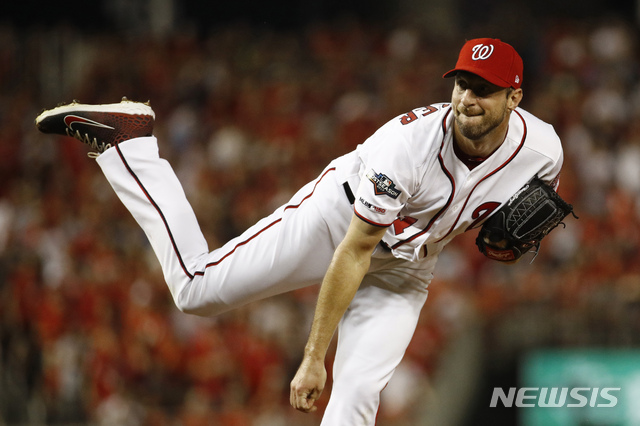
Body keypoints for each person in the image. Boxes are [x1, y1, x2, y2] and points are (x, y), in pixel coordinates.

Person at [35, 38, 564, 425]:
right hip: (338, 223)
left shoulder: (544, 153)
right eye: (464, 83)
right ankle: (129, 143)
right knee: (195, 290)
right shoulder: (405, 149)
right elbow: (353, 253)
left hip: (407, 268)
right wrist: (313, 358)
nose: (469, 98)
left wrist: (508, 251)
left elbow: (513, 230)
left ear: (514, 99)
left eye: (486, 90)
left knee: (358, 393)